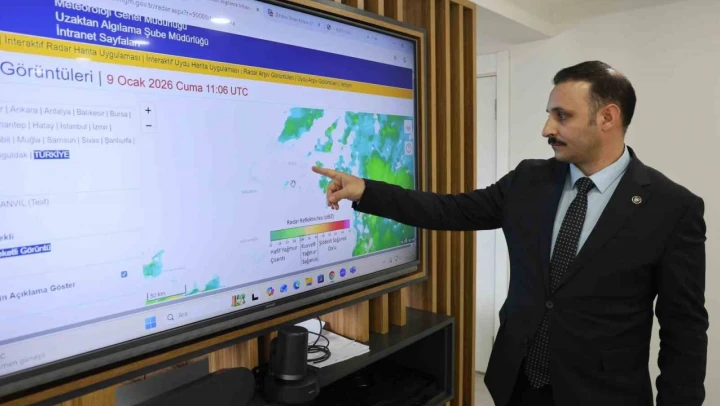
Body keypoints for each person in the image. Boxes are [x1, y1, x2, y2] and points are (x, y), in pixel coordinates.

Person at [311, 61, 708, 406]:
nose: (547, 128)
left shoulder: (672, 208)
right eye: (549, 114)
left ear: (607, 118)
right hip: (516, 383)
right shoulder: (529, 180)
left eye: (562, 116)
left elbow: (685, 330)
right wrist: (366, 191)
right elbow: (449, 210)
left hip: (601, 393)